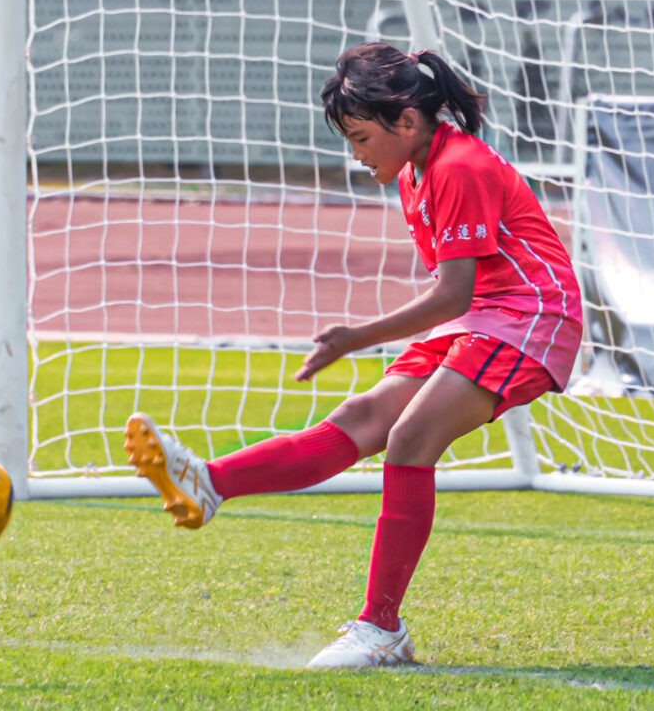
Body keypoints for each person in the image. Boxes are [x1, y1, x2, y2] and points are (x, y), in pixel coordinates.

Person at [124, 41, 583, 669]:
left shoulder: (460, 168)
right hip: (490, 315)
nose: (356, 154)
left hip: (535, 315)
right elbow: (462, 298)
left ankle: (380, 628)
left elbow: (453, 294)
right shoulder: (418, 173)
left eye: (361, 137)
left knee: (410, 437)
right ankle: (211, 483)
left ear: (408, 122)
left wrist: (352, 338)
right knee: (366, 416)